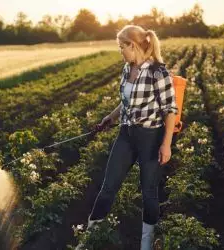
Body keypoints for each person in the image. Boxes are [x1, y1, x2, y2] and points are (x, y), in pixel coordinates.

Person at [77, 25, 179, 250]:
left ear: (133, 45)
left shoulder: (157, 72)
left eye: (122, 47)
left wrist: (166, 144)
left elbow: (171, 110)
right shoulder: (127, 69)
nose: (120, 51)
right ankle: (89, 239)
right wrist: (110, 118)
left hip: (150, 138)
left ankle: (146, 244)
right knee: (108, 186)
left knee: (149, 192)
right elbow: (126, 101)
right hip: (126, 135)